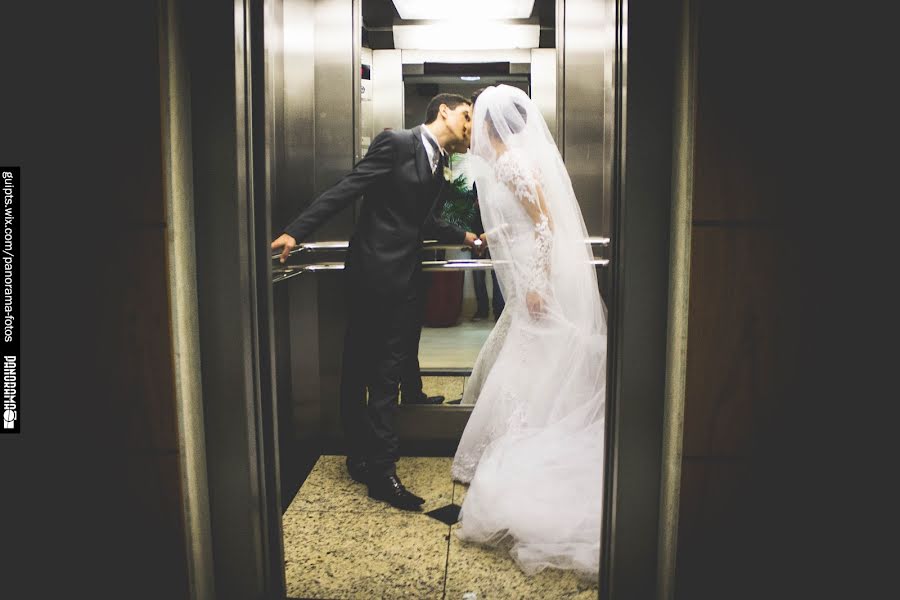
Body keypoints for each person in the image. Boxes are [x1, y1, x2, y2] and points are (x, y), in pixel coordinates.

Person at [272, 94, 479, 511]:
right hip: (372, 277)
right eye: (467, 116)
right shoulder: (397, 144)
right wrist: (297, 231)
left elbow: (421, 219)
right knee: (358, 371)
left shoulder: (440, 162)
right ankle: (360, 456)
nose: (472, 126)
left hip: (405, 282)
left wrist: (466, 236)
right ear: (444, 112)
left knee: (387, 376)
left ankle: (382, 469)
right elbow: (349, 187)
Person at [450, 85, 609, 579]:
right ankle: (519, 435)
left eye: (478, 121)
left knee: (530, 356)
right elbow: (522, 222)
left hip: (534, 279)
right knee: (525, 356)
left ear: (492, 127)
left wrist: (537, 284)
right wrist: (489, 237)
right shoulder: (507, 161)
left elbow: (544, 226)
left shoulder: (512, 162)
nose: (472, 129)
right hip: (523, 274)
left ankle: (526, 442)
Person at [469, 182, 505, 321]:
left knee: (497, 273)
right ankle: (483, 310)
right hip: (478, 234)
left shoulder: (498, 183)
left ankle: (499, 310)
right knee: (478, 273)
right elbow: (473, 207)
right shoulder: (477, 182)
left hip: (496, 235)